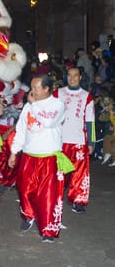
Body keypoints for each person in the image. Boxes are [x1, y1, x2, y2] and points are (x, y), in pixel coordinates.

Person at [9, 74, 73, 243]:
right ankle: (28, 216)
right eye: (32, 87)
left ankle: (48, 229)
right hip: (29, 156)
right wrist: (14, 152)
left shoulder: (57, 105)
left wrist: (33, 105)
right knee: (24, 190)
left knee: (48, 195)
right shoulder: (28, 107)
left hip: (49, 157)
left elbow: (48, 122)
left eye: (37, 88)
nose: (33, 91)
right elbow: (21, 129)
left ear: (46, 89)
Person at [53, 67, 95, 214]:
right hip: (60, 141)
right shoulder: (58, 93)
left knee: (79, 173)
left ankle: (78, 201)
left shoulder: (87, 97)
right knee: (57, 173)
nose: (72, 78)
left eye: (75, 76)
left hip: (79, 141)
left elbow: (90, 121)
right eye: (69, 76)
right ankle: (53, 198)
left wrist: (92, 142)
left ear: (80, 77)